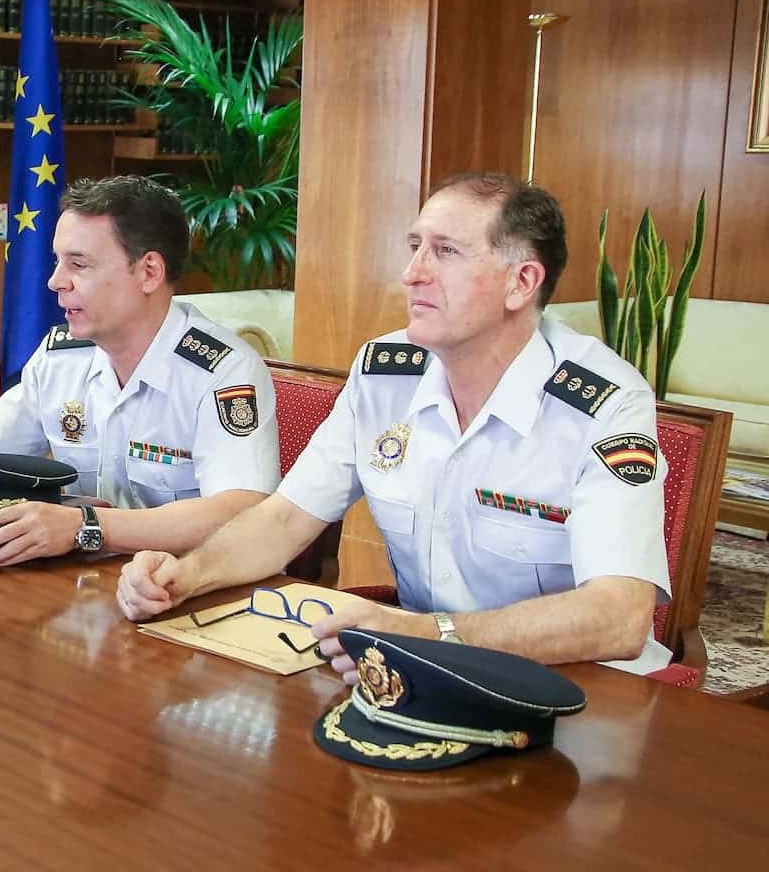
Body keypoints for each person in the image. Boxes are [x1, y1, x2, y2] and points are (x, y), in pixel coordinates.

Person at [117, 172, 671, 678]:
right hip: (421, 670)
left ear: (521, 282)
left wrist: (426, 635)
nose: (412, 274)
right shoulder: (384, 375)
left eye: (445, 252)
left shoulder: (604, 404)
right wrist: (186, 576)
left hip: (577, 686)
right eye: (414, 247)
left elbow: (618, 618)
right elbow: (286, 519)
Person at [0, 174, 281, 567]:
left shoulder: (222, 372)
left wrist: (85, 526)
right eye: (58, 261)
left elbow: (243, 512)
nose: (55, 281)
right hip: (87, 587)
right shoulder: (61, 359)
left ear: (149, 272)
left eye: (79, 264)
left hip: (191, 590)